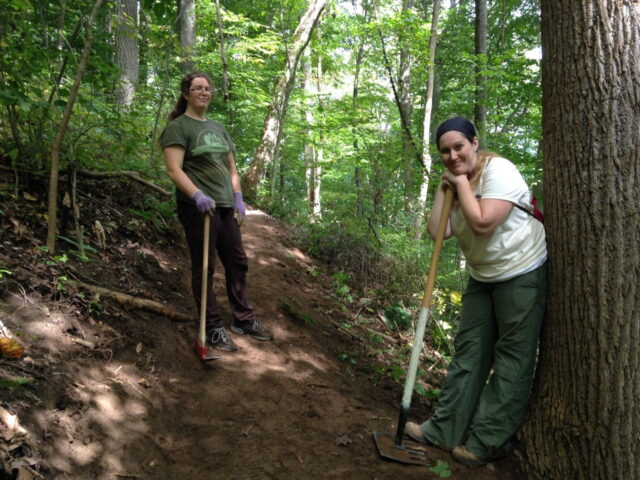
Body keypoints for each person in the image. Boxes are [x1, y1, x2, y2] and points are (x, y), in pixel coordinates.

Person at [404, 117, 547, 466]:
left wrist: (461, 184)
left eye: (458, 147)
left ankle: (486, 441)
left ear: (474, 143)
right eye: (444, 151)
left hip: (520, 271)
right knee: (468, 353)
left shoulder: (500, 171)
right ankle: (444, 429)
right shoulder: (455, 180)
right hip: (482, 276)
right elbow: (438, 230)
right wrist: (446, 188)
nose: (452, 156)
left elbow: (482, 222)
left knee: (512, 359)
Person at [160, 71, 273, 352]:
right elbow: (174, 170)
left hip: (224, 207)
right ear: (186, 93)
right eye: (197, 88)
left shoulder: (218, 127)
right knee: (205, 267)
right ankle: (212, 327)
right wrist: (196, 194)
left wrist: (237, 197)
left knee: (237, 262)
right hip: (198, 210)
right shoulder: (178, 127)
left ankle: (243, 319)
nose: (204, 92)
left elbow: (231, 168)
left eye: (208, 89)